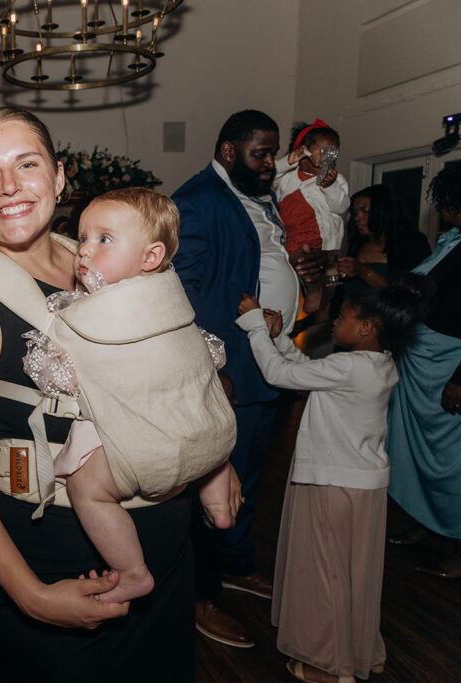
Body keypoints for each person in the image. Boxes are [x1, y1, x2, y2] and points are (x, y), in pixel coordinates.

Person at [0, 105, 201, 681]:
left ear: (60, 175)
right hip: (55, 560)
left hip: (167, 549)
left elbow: (178, 364)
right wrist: (30, 596)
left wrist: (216, 464)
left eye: (27, 164)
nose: (10, 188)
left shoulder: (107, 258)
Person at [0, 188, 237, 605]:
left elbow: (62, 376)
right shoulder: (170, 293)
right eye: (83, 237)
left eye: (104, 240)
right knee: (204, 445)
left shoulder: (97, 311)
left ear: (151, 258)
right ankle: (220, 504)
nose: (84, 250)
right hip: (211, 431)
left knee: (87, 488)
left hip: (150, 450)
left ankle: (132, 571)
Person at [171, 109, 322, 648]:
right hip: (227, 370)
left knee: (250, 475)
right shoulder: (197, 200)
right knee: (212, 488)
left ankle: (236, 563)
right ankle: (199, 595)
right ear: (229, 151)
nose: (269, 164)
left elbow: (259, 262)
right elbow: (181, 296)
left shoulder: (259, 196)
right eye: (260, 153)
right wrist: (210, 366)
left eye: (272, 153)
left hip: (266, 362)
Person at [237, 274, 429, 683]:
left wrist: (255, 325)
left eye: (341, 317)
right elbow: (311, 372)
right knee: (354, 572)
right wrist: (280, 338)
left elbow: (280, 376)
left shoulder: (348, 366)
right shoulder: (378, 364)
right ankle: (359, 650)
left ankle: (330, 664)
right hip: (364, 485)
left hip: (334, 481)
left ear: (365, 328)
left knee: (327, 572)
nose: (333, 323)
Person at [386, 164, 461, 578]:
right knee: (417, 450)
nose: (443, 211)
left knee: (452, 458)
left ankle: (458, 540)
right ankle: (430, 524)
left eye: (448, 203)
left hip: (449, 364)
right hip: (423, 360)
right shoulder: (451, 241)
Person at [273, 119, 349, 313]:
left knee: (328, 272)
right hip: (295, 237)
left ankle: (321, 294)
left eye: (334, 152)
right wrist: (287, 161)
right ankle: (309, 290)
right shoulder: (287, 178)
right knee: (300, 260)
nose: (329, 157)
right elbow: (268, 175)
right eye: (324, 151)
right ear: (304, 151)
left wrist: (329, 187)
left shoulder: (336, 179)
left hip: (324, 241)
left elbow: (341, 206)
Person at [331, 184, 431, 318]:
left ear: (383, 210)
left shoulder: (411, 243)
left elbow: (407, 296)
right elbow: (340, 292)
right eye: (355, 213)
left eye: (364, 211)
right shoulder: (357, 244)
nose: (357, 218)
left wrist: (362, 271)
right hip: (348, 324)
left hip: (386, 329)